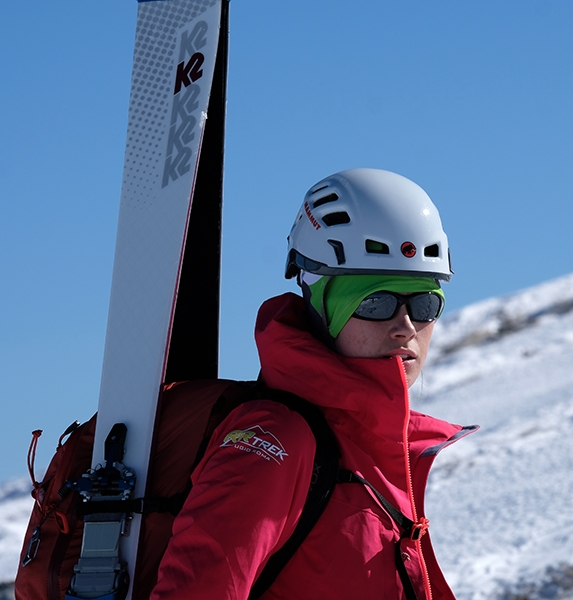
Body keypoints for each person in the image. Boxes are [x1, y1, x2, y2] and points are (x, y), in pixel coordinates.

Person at [151, 168, 476, 600]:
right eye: (376, 302)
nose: (406, 327)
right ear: (320, 302)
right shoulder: (275, 444)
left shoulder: (377, 452)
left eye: (424, 304)